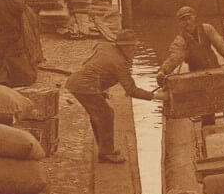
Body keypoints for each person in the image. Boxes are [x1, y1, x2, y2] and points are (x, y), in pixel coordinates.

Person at [65, 29, 158, 163]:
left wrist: (98, 86)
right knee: (106, 114)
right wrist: (155, 96)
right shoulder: (119, 63)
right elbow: (131, 90)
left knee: (98, 114)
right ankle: (106, 152)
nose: (134, 50)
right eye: (131, 47)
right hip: (84, 86)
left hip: (79, 82)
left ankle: (104, 148)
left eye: (135, 47)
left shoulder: (106, 46)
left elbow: (96, 50)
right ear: (123, 47)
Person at [157, 5, 224, 126]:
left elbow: (221, 46)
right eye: (183, 19)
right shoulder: (180, 40)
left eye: (189, 18)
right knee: (206, 111)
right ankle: (209, 134)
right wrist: (163, 71)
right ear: (179, 23)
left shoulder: (207, 29)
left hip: (215, 72)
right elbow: (174, 58)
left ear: (194, 17)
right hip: (198, 79)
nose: (187, 22)